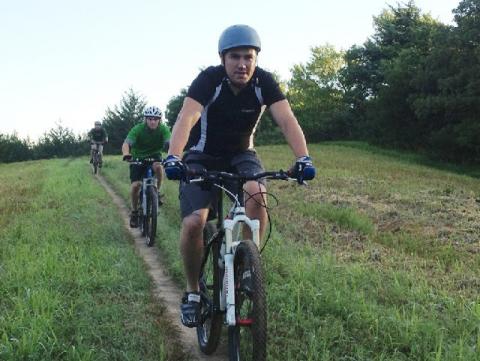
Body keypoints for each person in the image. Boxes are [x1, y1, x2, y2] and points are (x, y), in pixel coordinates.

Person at [163, 24, 316, 327]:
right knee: (195, 222)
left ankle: (248, 265)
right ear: (223, 59)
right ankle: (193, 293)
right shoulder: (209, 80)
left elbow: (286, 120)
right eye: (235, 57)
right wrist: (174, 156)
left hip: (241, 154)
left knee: (257, 194)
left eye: (249, 57)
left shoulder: (264, 82)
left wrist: (303, 158)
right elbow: (187, 117)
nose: (242, 64)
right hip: (201, 155)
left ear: (256, 59)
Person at [121, 106, 171, 228]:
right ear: (145, 119)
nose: (152, 121)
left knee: (159, 167)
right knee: (135, 186)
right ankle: (134, 212)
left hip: (155, 157)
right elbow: (127, 143)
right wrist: (126, 154)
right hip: (137, 159)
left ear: (159, 120)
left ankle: (157, 192)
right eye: (150, 119)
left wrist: (172, 155)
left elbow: (170, 142)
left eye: (155, 119)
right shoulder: (138, 129)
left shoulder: (163, 129)